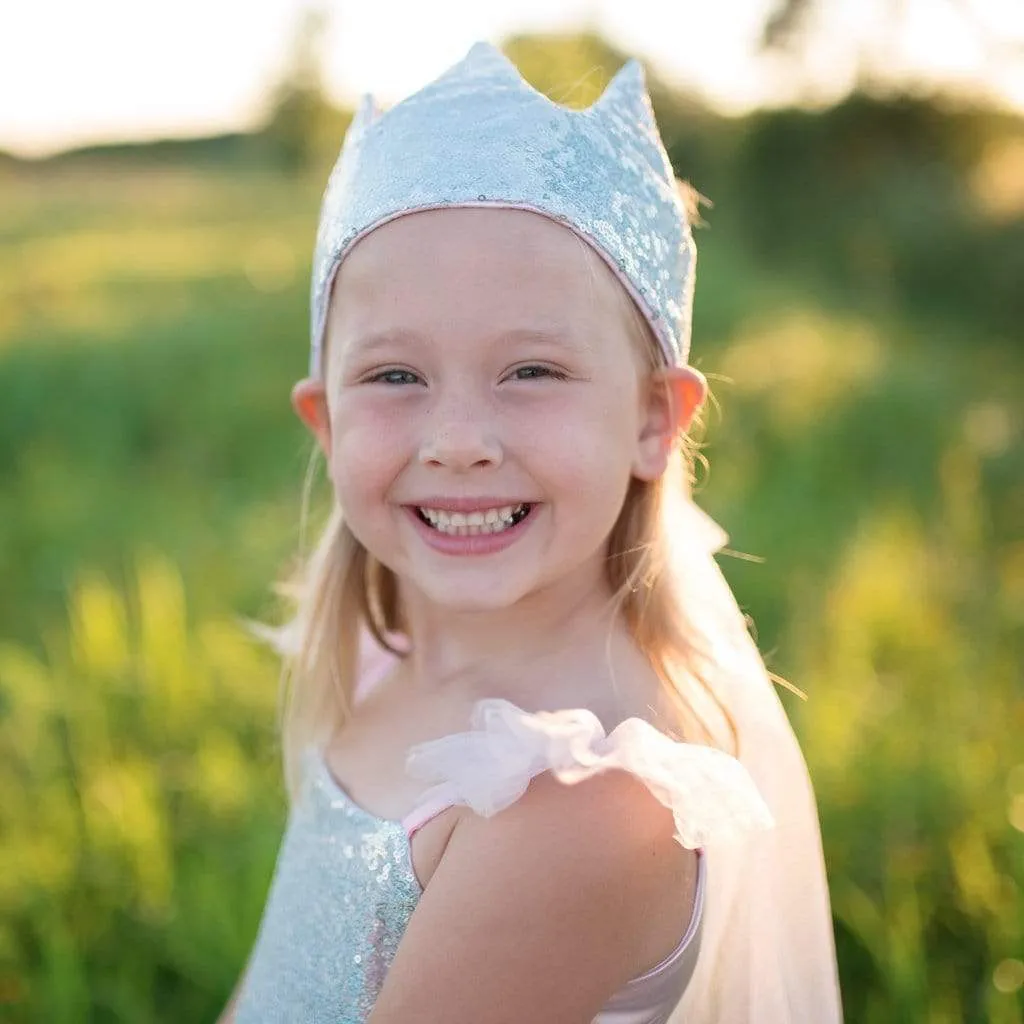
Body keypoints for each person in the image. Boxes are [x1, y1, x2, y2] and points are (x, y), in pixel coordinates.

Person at [220, 41, 844, 1023]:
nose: (459, 442)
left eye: (532, 371)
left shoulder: (574, 805)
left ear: (653, 419)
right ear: (326, 421)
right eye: (394, 375)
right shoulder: (390, 653)